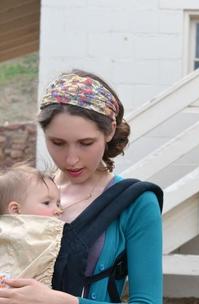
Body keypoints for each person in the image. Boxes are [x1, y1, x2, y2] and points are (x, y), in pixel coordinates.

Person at [0, 70, 163, 304]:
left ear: (109, 131)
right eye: (57, 143)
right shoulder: (19, 192)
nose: (71, 159)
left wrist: (60, 301)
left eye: (85, 143)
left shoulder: (135, 202)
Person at [0, 164, 63, 288]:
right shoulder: (36, 236)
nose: (59, 210)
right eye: (47, 203)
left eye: (58, 203)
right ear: (16, 209)